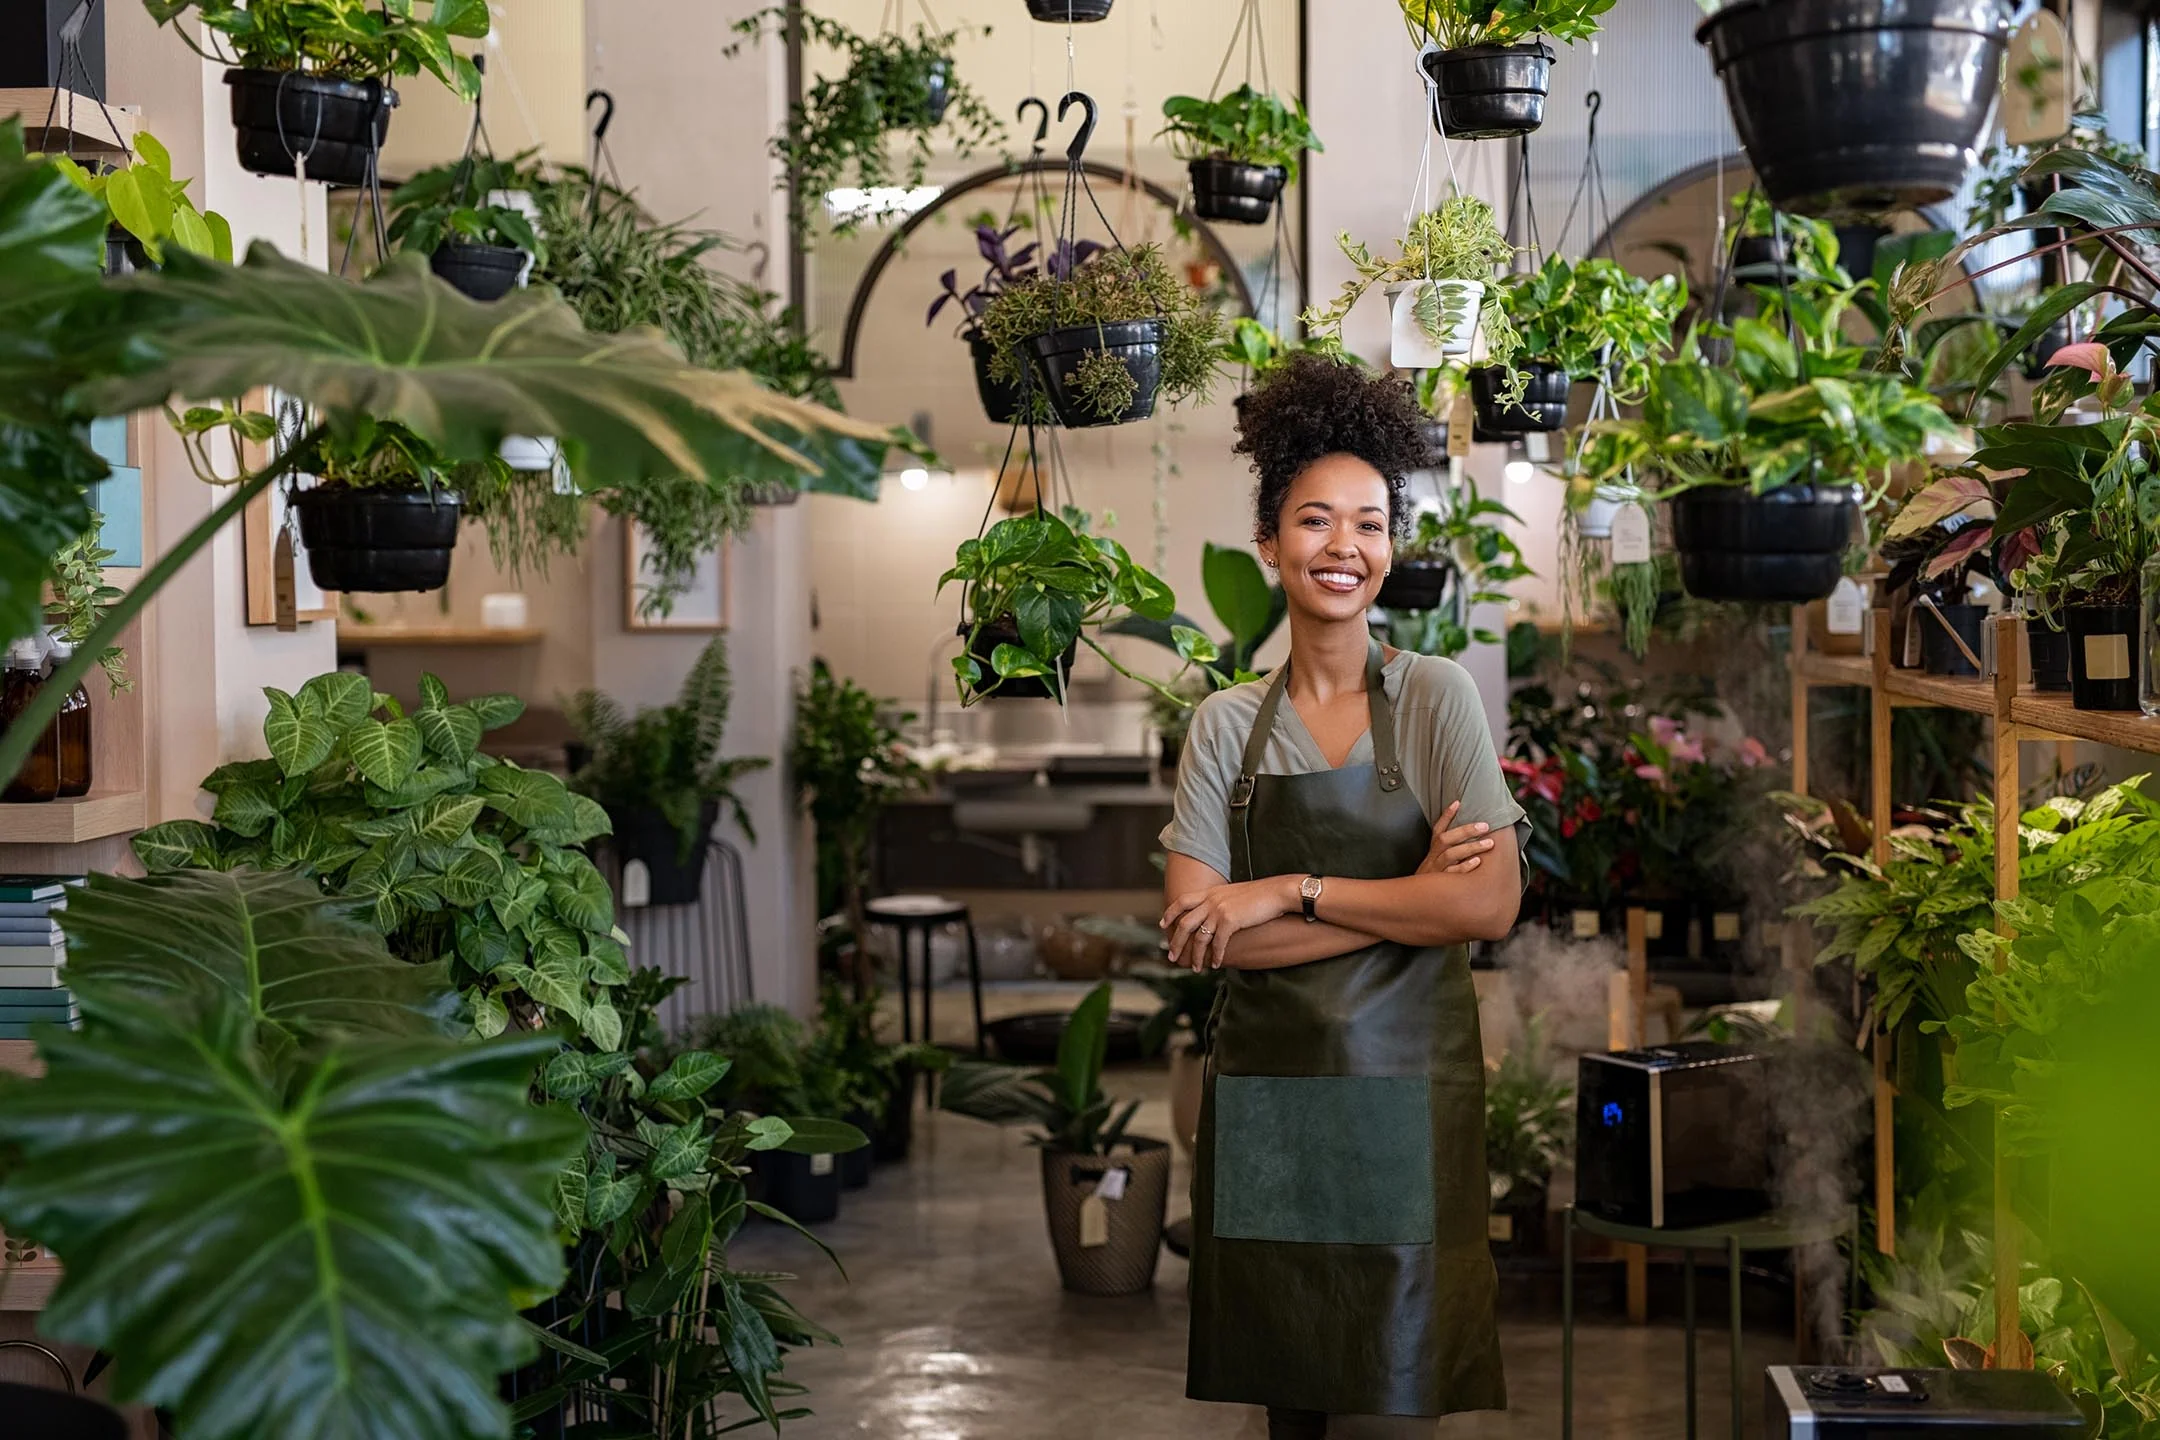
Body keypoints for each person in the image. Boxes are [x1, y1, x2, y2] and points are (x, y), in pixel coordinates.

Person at [1160, 355, 1525, 1439]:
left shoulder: (1435, 699)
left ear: (1391, 549)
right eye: (1316, 522)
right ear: (1270, 545)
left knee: (1401, 1376)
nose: (1345, 548)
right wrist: (1405, 898)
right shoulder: (1225, 725)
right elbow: (1200, 938)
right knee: (1293, 1390)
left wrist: (1286, 891)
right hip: (1276, 1099)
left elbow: (1488, 906)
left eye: (1369, 524)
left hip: (1408, 1095)